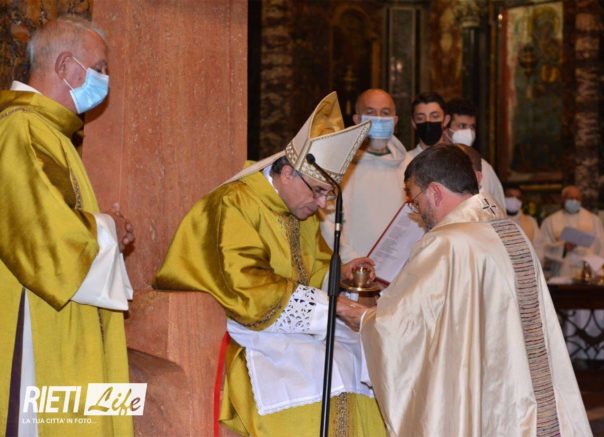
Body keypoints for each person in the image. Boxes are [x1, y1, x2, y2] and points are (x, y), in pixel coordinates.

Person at [153, 92, 385, 436]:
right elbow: (245, 286)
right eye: (317, 190)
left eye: (328, 194)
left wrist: (337, 277)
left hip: (293, 331)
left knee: (355, 364)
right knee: (317, 376)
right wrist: (332, 306)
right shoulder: (234, 203)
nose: (321, 204)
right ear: (288, 173)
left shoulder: (300, 209)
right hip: (245, 329)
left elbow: (315, 270)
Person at [337, 145, 591, 436]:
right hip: (524, 388)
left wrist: (359, 315)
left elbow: (404, 328)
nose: (418, 212)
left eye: (416, 201)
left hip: (487, 392)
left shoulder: (447, 243)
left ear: (435, 192)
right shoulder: (511, 231)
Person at [0, 16, 135, 436]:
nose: (104, 80)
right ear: (65, 66)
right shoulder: (21, 127)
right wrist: (108, 230)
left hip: (59, 312)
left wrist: (105, 231)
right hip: (37, 315)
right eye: (99, 68)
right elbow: (44, 237)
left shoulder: (47, 131)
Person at [320, 88, 408, 262]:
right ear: (357, 120)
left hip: (399, 266)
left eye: (385, 113)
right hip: (352, 266)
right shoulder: (339, 166)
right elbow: (326, 221)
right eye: (371, 113)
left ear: (395, 120)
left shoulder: (409, 167)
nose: (379, 118)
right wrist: (351, 259)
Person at [441, 97, 507, 212]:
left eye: (472, 127)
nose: (469, 132)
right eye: (462, 126)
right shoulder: (434, 164)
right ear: (445, 126)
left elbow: (499, 211)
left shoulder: (485, 168)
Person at [535, 185, 604, 279]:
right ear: (563, 199)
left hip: (587, 271)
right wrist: (563, 248)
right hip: (562, 272)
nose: (574, 201)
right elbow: (542, 248)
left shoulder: (594, 220)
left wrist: (602, 273)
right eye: (571, 198)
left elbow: (602, 247)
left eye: (577, 198)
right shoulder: (550, 221)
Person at [406, 91, 447, 160]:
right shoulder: (404, 162)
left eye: (435, 116)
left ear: (446, 120)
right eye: (420, 118)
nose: (428, 121)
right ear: (413, 122)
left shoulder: (457, 161)